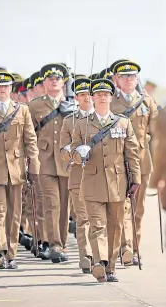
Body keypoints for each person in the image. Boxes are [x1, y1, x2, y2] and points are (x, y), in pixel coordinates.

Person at [71, 78, 141, 282]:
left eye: (106, 94)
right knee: (97, 225)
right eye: (98, 94)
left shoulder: (123, 123)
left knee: (115, 226)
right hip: (92, 183)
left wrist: (135, 179)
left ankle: (110, 267)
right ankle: (100, 263)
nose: (102, 97)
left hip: (117, 184)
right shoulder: (82, 124)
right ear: (92, 97)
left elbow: (132, 153)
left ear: (111, 97)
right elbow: (72, 153)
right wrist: (79, 153)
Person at [0, 71, 40, 269]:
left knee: (14, 214)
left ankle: (12, 254)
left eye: (6, 86)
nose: (3, 89)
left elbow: (30, 140)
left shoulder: (22, 110)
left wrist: (34, 165)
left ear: (11, 88)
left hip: (16, 169)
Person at [111, 60, 158, 265]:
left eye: (132, 76)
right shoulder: (110, 103)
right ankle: (124, 247)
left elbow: (156, 132)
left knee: (138, 209)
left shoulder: (147, 101)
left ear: (137, 79)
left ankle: (134, 249)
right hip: (118, 162)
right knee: (121, 208)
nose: (129, 80)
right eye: (124, 76)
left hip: (141, 161)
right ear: (117, 80)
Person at [28, 63, 76, 263]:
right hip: (44, 161)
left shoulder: (74, 105)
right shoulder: (34, 106)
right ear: (44, 83)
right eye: (50, 79)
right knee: (51, 203)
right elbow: (28, 135)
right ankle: (54, 244)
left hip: (66, 163)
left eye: (58, 78)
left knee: (64, 207)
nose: (54, 81)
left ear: (64, 82)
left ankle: (61, 244)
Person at [60, 76, 94, 273]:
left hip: (100, 177)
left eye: (89, 94)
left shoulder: (108, 119)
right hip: (77, 176)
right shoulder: (69, 121)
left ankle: (100, 255)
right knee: (83, 218)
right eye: (81, 94)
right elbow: (63, 151)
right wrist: (76, 154)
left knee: (99, 219)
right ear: (76, 98)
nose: (86, 98)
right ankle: (86, 256)